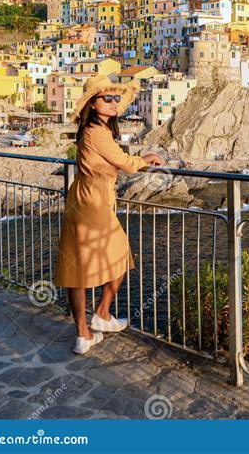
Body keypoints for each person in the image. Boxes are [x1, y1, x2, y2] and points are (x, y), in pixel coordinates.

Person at [53, 74, 164, 355]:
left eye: (117, 98)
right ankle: (101, 313)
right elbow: (125, 163)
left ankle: (84, 334)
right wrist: (145, 160)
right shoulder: (97, 132)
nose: (115, 103)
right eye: (108, 98)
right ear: (93, 103)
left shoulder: (90, 130)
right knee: (121, 255)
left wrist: (136, 160)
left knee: (76, 268)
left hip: (80, 200)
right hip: (95, 204)